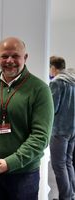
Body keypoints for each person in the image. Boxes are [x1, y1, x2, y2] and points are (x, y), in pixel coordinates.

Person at [0, 37, 54, 200]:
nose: (10, 61)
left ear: (25, 58)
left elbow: (41, 137)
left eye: (15, 56)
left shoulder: (40, 89)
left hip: (23, 174)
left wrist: (10, 163)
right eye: (5, 56)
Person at [49, 55, 75, 200]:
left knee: (58, 165)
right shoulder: (73, 81)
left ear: (53, 67)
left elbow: (52, 108)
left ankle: (65, 197)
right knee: (68, 163)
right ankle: (70, 195)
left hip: (59, 130)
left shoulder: (57, 82)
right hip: (72, 129)